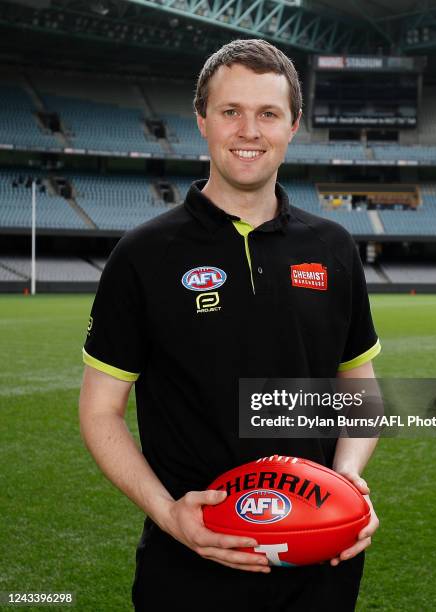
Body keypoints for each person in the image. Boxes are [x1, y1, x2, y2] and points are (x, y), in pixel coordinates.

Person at [79, 38, 381, 612]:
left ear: (293, 125)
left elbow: (358, 387)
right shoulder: (144, 254)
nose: (249, 131)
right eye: (230, 111)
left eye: (267, 113)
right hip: (192, 564)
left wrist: (346, 484)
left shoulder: (334, 246)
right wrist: (170, 515)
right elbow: (99, 411)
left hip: (322, 565)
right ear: (202, 121)